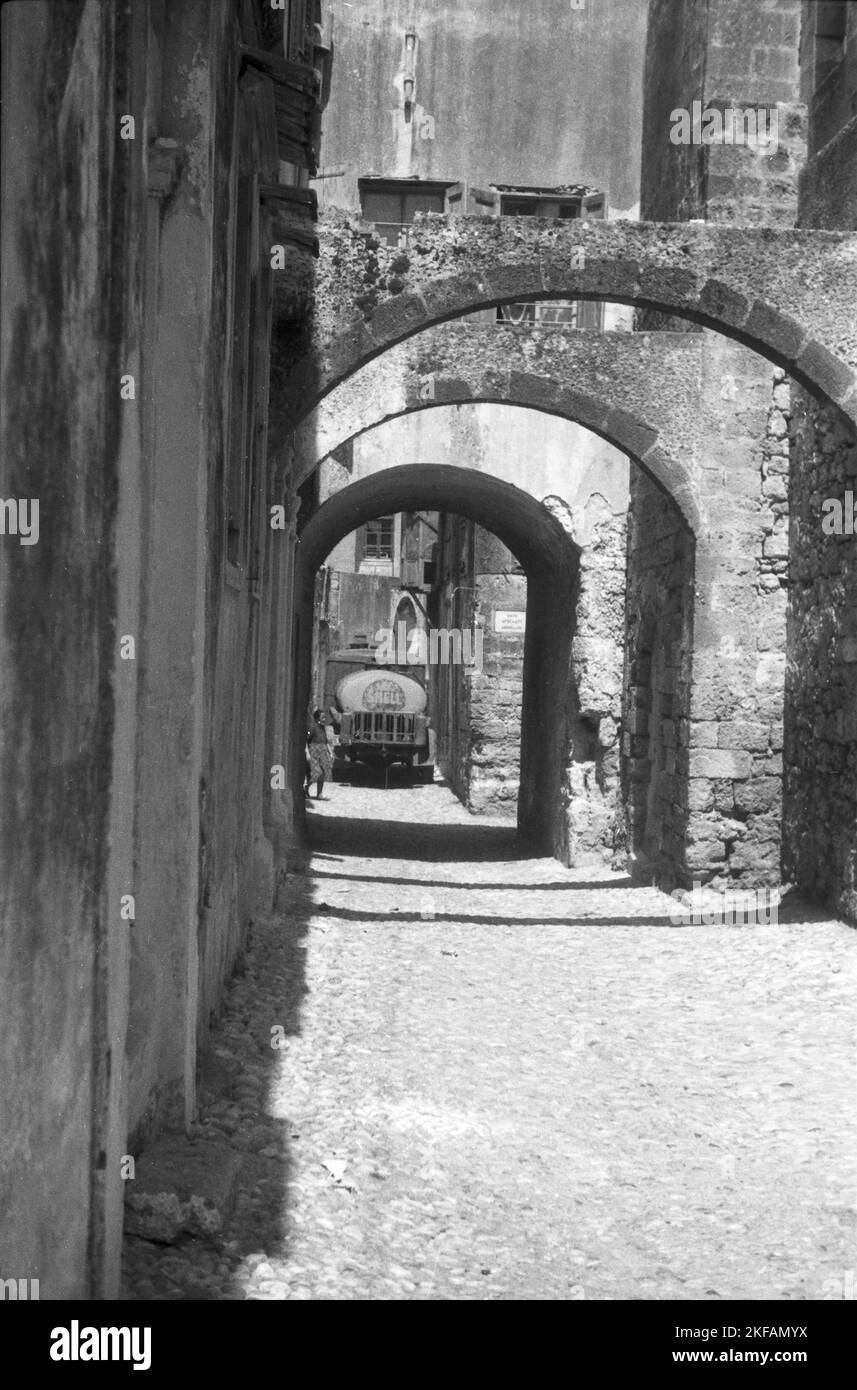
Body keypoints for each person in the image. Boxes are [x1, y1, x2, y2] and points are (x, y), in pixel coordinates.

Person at [305, 707, 333, 799]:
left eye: (324, 717)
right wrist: (307, 752)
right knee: (316, 773)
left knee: (323, 773)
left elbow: (325, 741)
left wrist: (330, 752)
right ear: (317, 718)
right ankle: (306, 787)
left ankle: (319, 794)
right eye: (322, 717)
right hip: (314, 751)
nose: (324, 719)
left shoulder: (323, 728)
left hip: (323, 751)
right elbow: (306, 740)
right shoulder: (312, 727)